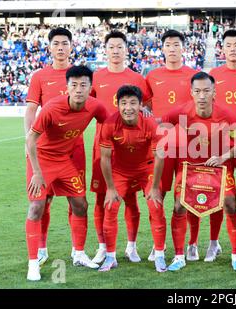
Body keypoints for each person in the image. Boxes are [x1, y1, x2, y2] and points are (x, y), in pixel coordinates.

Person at [153, 72, 236, 272]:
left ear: (214, 92)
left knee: (229, 203)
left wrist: (223, 158)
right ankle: (179, 256)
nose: (202, 96)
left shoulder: (227, 116)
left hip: (218, 167)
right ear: (191, 93)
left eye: (206, 91)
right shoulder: (179, 113)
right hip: (190, 167)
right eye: (197, 91)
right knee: (178, 206)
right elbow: (158, 127)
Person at [177, 29, 236, 263]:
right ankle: (210, 244)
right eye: (229, 45)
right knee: (213, 194)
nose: (233, 48)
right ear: (222, 48)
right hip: (216, 145)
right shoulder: (212, 75)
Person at [25, 65, 108, 281]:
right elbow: (30, 139)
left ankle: (78, 253)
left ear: (91, 88)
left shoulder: (94, 106)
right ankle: (33, 263)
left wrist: (142, 116)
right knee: (36, 207)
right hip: (41, 160)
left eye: (83, 85)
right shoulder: (52, 108)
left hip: (64, 161)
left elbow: (110, 122)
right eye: (74, 85)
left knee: (80, 205)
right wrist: (36, 172)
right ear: (67, 87)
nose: (79, 89)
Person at [89, 30, 150, 265]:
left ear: (126, 50)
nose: (115, 51)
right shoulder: (95, 78)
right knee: (101, 198)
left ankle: (131, 247)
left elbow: (147, 110)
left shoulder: (137, 79)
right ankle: (103, 247)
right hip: (102, 147)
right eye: (111, 47)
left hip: (131, 150)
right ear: (105, 50)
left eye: (119, 47)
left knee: (131, 200)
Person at [24, 27, 82, 265]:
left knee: (76, 200)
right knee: (42, 201)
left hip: (74, 149)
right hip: (46, 150)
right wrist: (29, 138)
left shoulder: (80, 75)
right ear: (49, 47)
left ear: (71, 46)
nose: (60, 47)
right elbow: (31, 109)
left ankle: (77, 251)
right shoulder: (39, 76)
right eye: (56, 43)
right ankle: (41, 249)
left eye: (65, 43)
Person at [98, 85, 167, 272]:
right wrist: (110, 188)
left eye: (133, 103)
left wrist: (154, 187)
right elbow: (104, 158)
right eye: (123, 103)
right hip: (120, 171)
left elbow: (160, 156)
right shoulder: (109, 124)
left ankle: (159, 255)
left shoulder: (151, 124)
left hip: (147, 169)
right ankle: (110, 257)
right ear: (118, 105)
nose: (128, 108)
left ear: (140, 105)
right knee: (111, 206)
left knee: (155, 205)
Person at [145, 29, 198, 261]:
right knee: (157, 195)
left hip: (189, 145)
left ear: (183, 47)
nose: (173, 48)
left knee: (188, 197)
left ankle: (192, 243)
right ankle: (158, 245)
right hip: (160, 145)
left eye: (177, 44)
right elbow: (145, 107)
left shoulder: (194, 75)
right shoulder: (152, 76)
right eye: (168, 44)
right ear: (162, 48)